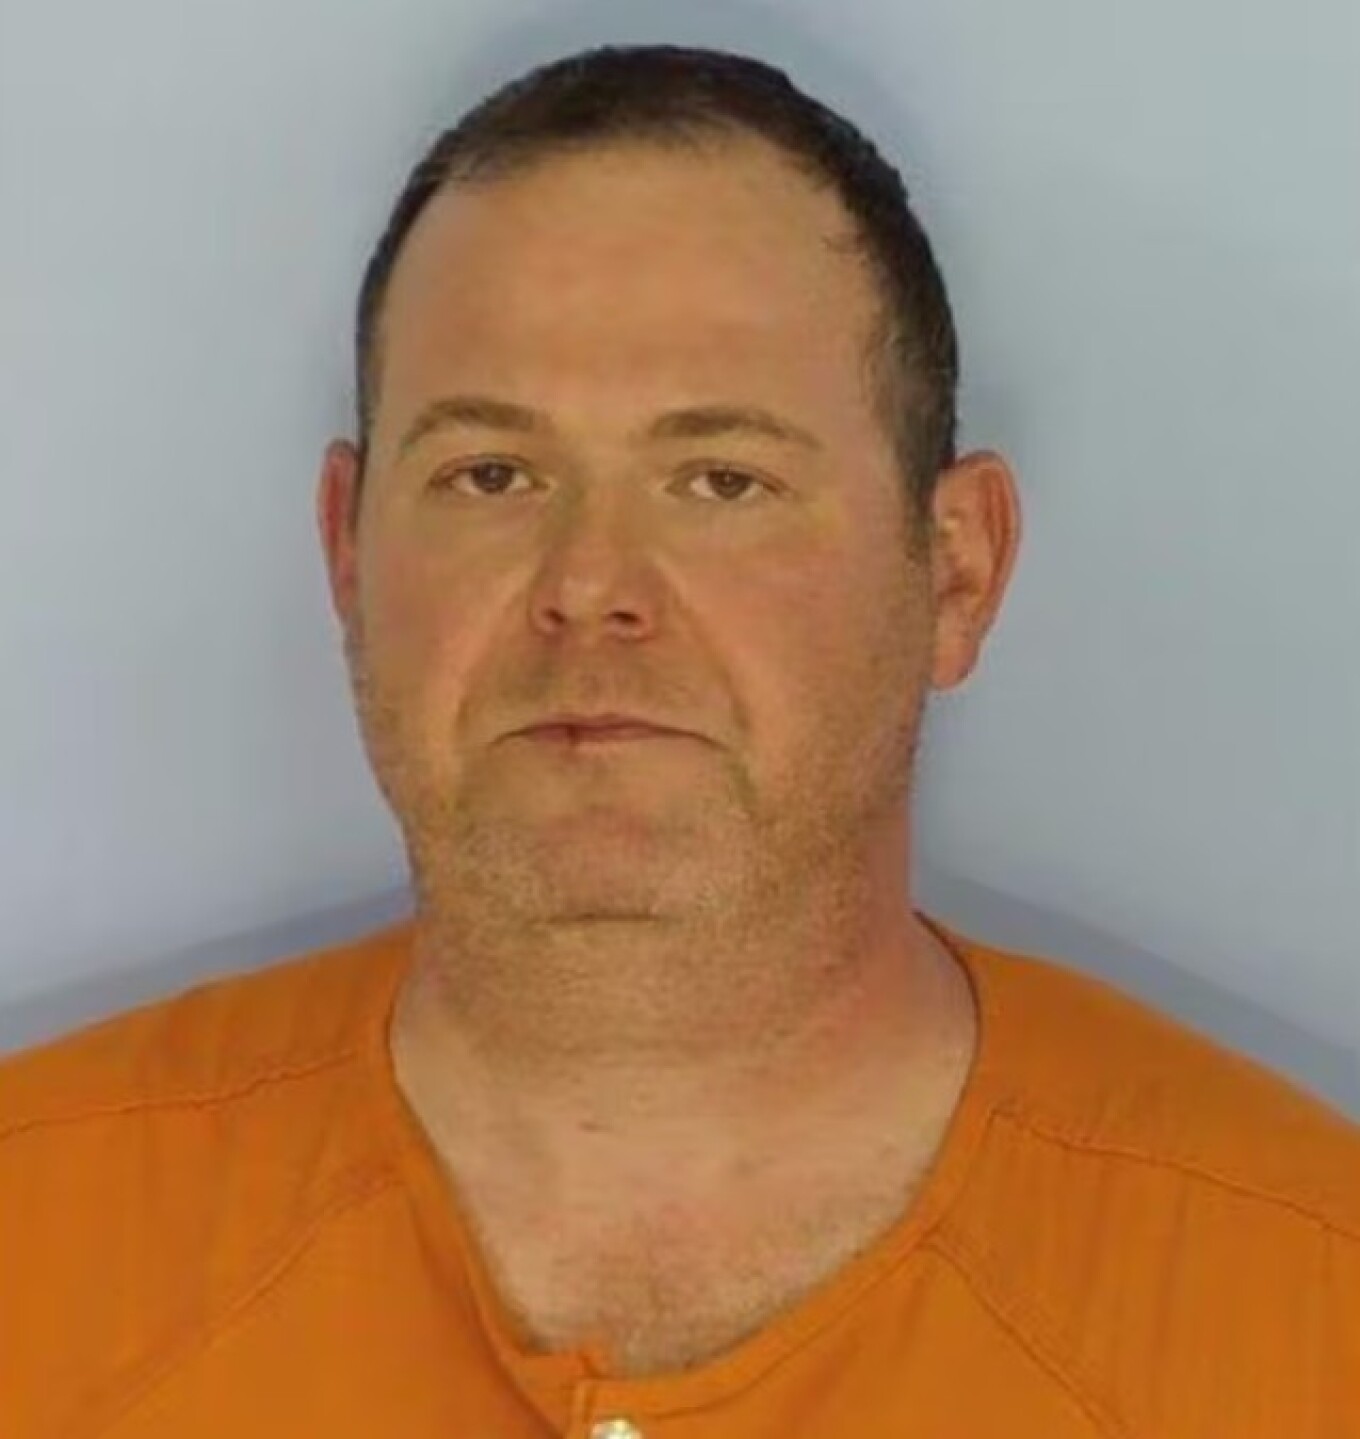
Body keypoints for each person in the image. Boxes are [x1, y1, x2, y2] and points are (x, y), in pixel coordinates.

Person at [2, 43, 1357, 1439]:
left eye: (722, 479)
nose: (590, 583)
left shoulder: (1314, 1309)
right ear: (349, 554)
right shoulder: (31, 1243)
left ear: (955, 571)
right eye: (491, 474)